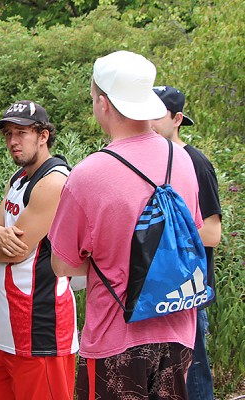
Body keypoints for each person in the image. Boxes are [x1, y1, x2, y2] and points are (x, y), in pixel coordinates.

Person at [49, 51, 203, 400]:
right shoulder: (181, 158)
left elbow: (63, 264)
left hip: (115, 340)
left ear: (103, 103)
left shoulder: (88, 174)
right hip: (178, 332)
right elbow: (191, 234)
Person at [0, 100, 78, 399]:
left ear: (43, 136)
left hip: (38, 332)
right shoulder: (18, 178)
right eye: (7, 134)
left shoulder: (53, 181)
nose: (13, 141)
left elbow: (15, 251)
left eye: (21, 132)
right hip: (2, 331)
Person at [151, 85, 222, 400]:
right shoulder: (151, 162)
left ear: (177, 118)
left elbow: (211, 232)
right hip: (153, 295)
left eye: (156, 113)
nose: (147, 119)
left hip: (188, 294)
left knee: (192, 382)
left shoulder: (194, 162)